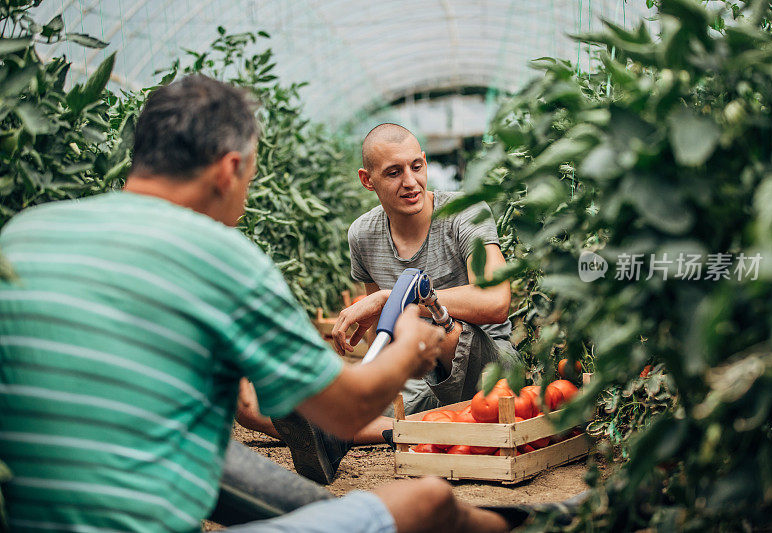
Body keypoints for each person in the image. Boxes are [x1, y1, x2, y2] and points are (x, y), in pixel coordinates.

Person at [0, 75, 508, 533]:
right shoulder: (221, 257)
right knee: (424, 501)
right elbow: (348, 406)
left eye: (417, 167)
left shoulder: (21, 236)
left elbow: (243, 406)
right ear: (230, 169)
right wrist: (408, 346)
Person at [238, 123, 517, 485]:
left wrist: (396, 298)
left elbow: (496, 301)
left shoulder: (465, 214)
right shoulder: (363, 234)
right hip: (417, 380)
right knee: (252, 404)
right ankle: (392, 430)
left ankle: (354, 428)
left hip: (489, 372)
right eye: (393, 172)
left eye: (416, 166)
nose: (411, 182)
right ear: (367, 180)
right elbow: (384, 345)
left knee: (439, 334)